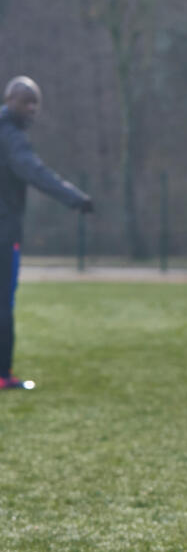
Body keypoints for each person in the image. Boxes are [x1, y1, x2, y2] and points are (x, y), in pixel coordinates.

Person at [0, 76, 94, 391]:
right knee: (2, 304)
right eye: (27, 102)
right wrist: (75, 198)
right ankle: (2, 374)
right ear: (9, 99)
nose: (32, 110)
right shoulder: (11, 138)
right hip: (3, 234)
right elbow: (35, 172)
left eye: (35, 104)